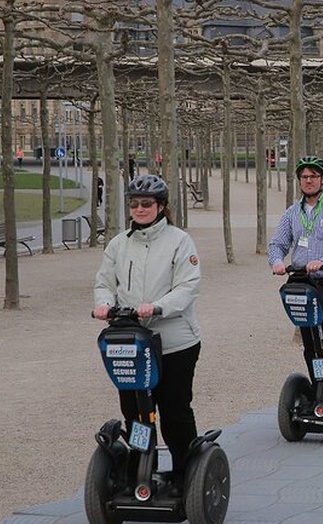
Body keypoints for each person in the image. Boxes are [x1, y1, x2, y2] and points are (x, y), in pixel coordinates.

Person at [93, 174, 202, 488]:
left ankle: (186, 475)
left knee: (174, 411)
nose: (139, 209)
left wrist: (157, 306)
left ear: (161, 206)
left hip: (175, 342)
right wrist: (104, 304)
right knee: (135, 412)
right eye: (135, 204)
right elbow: (104, 283)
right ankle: (143, 469)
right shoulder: (119, 243)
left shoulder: (180, 241)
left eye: (147, 204)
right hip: (133, 343)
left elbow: (189, 286)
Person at [268, 156, 323, 408]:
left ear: (322, 180)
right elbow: (277, 242)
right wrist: (276, 261)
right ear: (299, 181)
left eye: (313, 176)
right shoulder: (292, 213)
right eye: (304, 177)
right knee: (311, 342)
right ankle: (319, 388)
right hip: (303, 284)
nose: (308, 181)